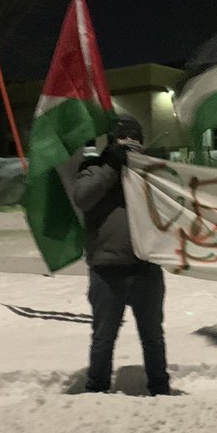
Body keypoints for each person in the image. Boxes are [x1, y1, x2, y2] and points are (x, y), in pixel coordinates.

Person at [71, 116, 171, 395]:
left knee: (153, 335)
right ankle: (96, 388)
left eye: (134, 138)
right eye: (124, 138)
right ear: (113, 142)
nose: (130, 144)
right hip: (106, 269)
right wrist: (112, 166)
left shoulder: (151, 173)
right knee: (103, 337)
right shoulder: (95, 169)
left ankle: (160, 388)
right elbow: (83, 197)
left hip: (146, 268)